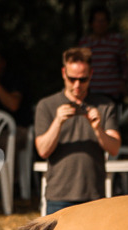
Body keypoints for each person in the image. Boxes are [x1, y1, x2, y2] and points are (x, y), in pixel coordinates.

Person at [34, 47, 120, 214]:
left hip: (94, 196)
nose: (77, 85)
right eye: (72, 79)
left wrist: (98, 129)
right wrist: (57, 122)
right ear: (63, 73)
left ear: (91, 75)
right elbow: (43, 151)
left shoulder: (105, 105)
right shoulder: (47, 105)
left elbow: (114, 148)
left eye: (83, 79)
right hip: (59, 196)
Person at [79, 4, 128, 105]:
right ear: (91, 23)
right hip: (91, 92)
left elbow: (125, 64)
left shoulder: (116, 40)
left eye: (103, 21)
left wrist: (123, 83)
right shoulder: (84, 43)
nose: (100, 24)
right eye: (97, 21)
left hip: (112, 93)